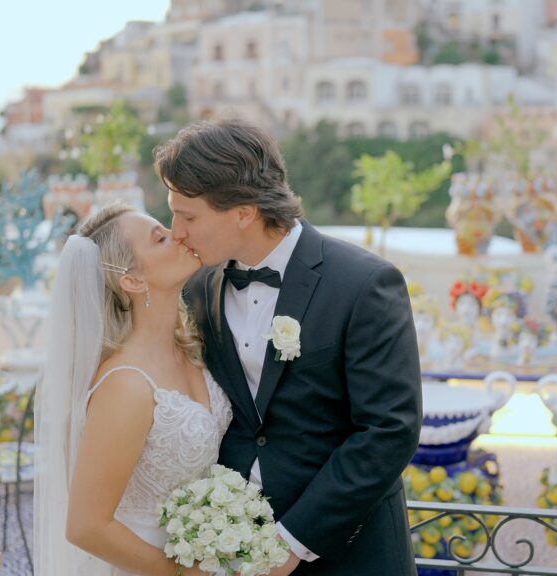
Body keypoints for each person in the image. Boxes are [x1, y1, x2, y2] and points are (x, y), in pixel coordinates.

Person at [156, 118, 422, 576]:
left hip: (351, 550)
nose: (176, 230)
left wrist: (293, 542)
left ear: (243, 211)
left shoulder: (365, 284)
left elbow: (388, 430)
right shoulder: (198, 287)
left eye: (188, 215)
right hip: (232, 552)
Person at [34, 204, 230, 576]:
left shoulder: (192, 347)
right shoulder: (126, 384)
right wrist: (180, 573)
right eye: (159, 238)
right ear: (133, 280)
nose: (177, 234)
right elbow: (85, 527)